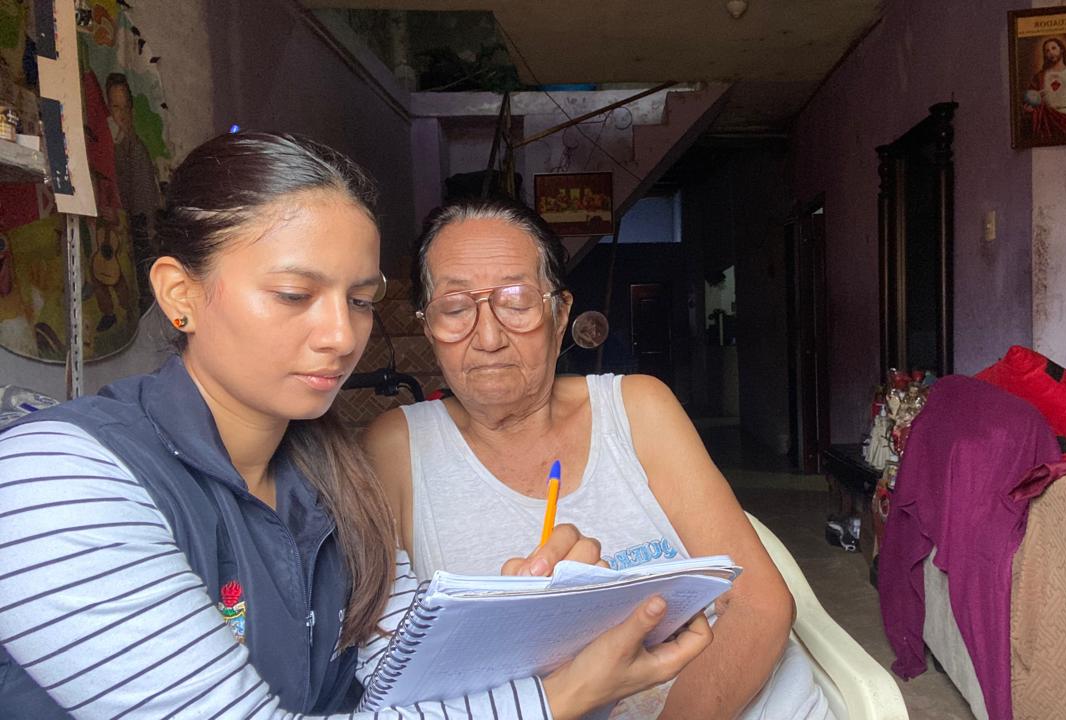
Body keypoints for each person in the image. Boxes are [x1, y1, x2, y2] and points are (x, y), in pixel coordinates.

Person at [0, 132, 710, 719]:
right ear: (180, 293)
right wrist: (556, 697)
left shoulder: (337, 483)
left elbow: (407, 689)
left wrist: (518, 630)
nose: (342, 336)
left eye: (361, 301)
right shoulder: (54, 481)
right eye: (294, 294)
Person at [364, 197, 831, 720]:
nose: (488, 338)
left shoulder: (638, 407)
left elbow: (760, 603)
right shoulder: (395, 449)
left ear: (560, 313)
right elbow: (389, 670)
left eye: (516, 302)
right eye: (455, 308)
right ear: (428, 326)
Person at [105, 72, 163, 313]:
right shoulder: (110, 148)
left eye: (125, 107)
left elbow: (146, 208)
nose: (122, 114)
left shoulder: (136, 150)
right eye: (115, 107)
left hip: (139, 232)